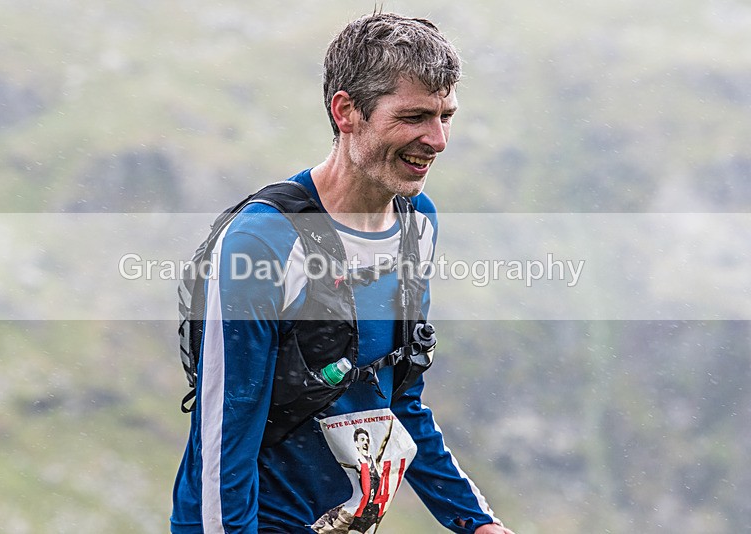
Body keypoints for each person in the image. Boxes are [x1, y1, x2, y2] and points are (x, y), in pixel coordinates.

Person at [171, 11, 515, 534]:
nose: (438, 139)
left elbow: (397, 400)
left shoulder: (416, 225)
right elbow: (224, 433)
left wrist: (474, 522)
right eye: (414, 117)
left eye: (446, 116)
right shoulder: (263, 242)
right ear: (346, 111)